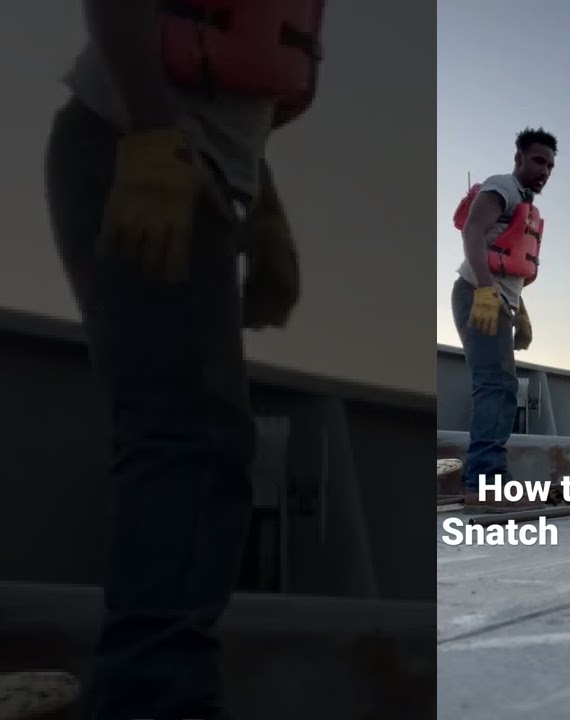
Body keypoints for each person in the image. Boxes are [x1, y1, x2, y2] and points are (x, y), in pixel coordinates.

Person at [44, 2, 322, 718]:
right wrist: (153, 137)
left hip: (193, 173)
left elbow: (228, 75)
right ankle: (156, 699)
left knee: (202, 440)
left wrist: (258, 196)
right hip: (138, 153)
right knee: (187, 442)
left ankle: (159, 689)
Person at [450, 127, 557, 513]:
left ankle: (487, 479)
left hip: (499, 301)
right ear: (519, 158)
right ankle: (484, 483)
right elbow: (473, 231)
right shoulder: (503, 187)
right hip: (478, 295)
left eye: (549, 164)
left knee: (503, 386)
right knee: (495, 385)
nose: (544, 170)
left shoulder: (526, 205)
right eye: (537, 160)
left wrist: (519, 311)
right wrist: (483, 289)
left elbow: (510, 265)